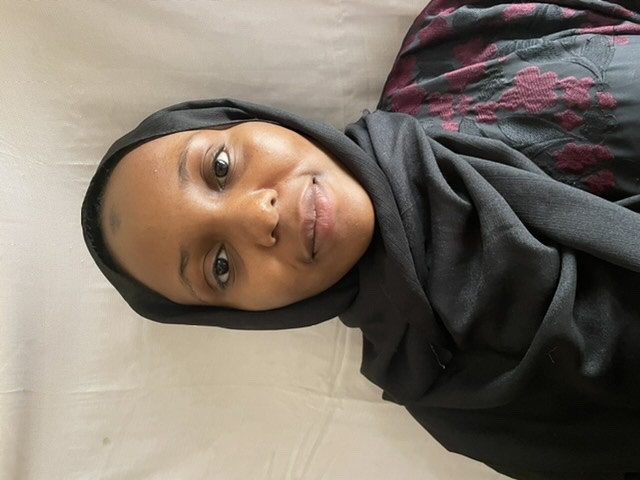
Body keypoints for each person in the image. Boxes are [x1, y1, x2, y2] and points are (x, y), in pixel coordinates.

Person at [82, 1, 640, 478]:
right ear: (249, 316)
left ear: (246, 119)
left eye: (220, 167)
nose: (258, 217)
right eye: (220, 266)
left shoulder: (456, 40)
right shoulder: (459, 394)